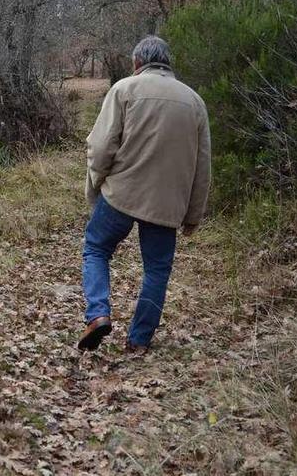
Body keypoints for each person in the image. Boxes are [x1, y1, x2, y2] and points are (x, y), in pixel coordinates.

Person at [77, 36, 211, 353]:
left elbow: (100, 148)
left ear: (137, 63)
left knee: (96, 248)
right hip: (166, 204)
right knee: (157, 269)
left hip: (121, 194)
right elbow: (202, 167)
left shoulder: (124, 89)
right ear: (168, 63)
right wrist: (193, 215)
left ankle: (98, 315)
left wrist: (96, 182)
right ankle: (138, 341)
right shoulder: (195, 103)